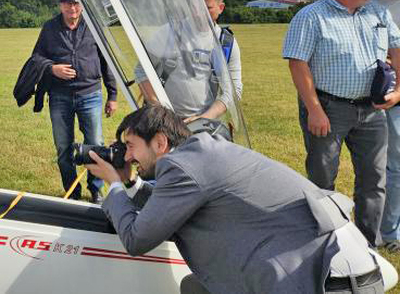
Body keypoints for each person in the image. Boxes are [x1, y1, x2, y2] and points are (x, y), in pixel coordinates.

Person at [87, 105, 383, 294]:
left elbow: (137, 239)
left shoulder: (180, 168)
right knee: (196, 288)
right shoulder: (199, 153)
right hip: (343, 266)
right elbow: (170, 206)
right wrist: (129, 181)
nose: (126, 156)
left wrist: (113, 185)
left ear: (161, 142)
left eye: (130, 146)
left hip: (326, 283)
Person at [283, 0, 400, 247]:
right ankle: (324, 241)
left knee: (374, 181)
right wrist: (315, 110)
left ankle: (366, 244)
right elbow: (298, 64)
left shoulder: (377, 13)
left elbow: (398, 50)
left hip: (372, 110)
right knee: (323, 178)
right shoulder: (311, 16)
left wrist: (399, 92)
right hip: (329, 109)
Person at [32, 0, 117, 203]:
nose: (73, 8)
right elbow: (36, 58)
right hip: (60, 96)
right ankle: (72, 191)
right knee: (63, 147)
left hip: (91, 94)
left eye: (76, 3)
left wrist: (113, 95)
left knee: (96, 144)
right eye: (68, 3)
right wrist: (52, 68)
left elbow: (107, 62)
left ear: (82, 5)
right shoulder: (50, 28)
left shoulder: (93, 27)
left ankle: (96, 190)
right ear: (60, 5)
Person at [374, 0, 400, 251]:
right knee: (370, 166)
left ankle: (391, 233)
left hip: (397, 93)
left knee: (396, 165)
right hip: (361, 93)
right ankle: (368, 229)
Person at [198, 0, 242, 101]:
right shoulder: (170, 33)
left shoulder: (227, 43)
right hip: (166, 118)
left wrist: (204, 117)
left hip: (208, 118)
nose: (199, 13)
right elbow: (143, 73)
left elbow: (234, 92)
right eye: (196, 6)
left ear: (221, 8)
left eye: (207, 8)